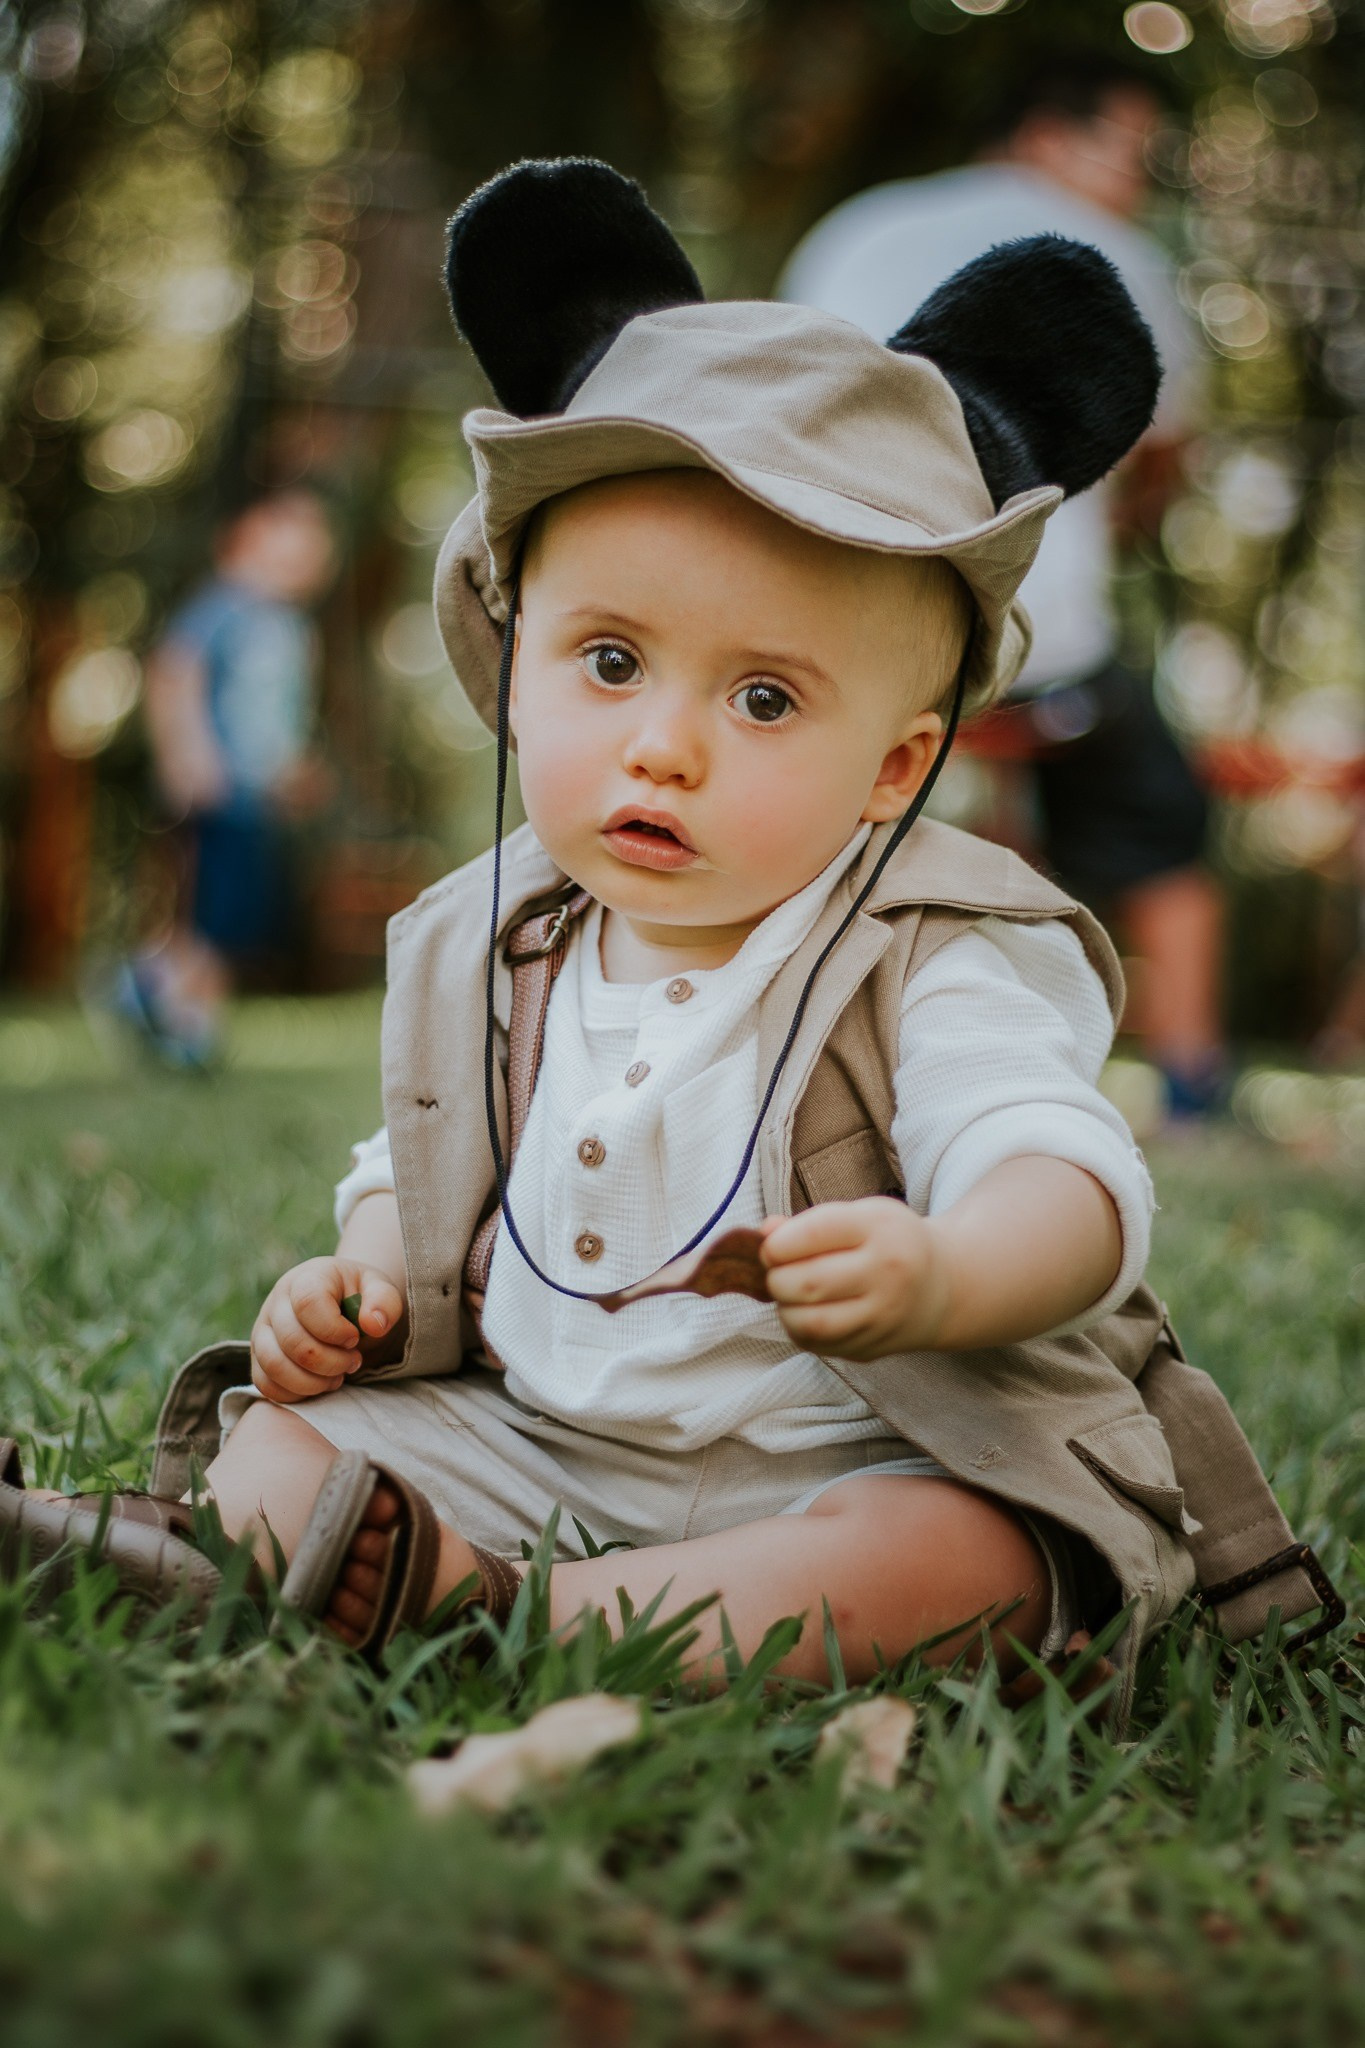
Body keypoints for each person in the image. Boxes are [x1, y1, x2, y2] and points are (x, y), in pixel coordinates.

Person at [5, 163, 1339, 1717]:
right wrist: (356, 1288)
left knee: (963, 1557)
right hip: (532, 1441)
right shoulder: (492, 943)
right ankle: (367, 1565)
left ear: (896, 770)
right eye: (612, 661)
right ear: (514, 674)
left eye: (762, 698)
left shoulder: (933, 951)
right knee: (280, 1443)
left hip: (852, 1460)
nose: (664, 749)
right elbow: (416, 1177)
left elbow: (1065, 1174)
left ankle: (522, 1619)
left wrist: (950, 1270)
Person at [780, 55, 1226, 1119]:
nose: (1136, 184)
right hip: (1028, 646)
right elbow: (1160, 452)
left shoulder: (859, 226)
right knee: (1162, 820)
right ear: (1045, 137)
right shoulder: (1106, 254)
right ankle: (1195, 1081)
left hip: (831, 626)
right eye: (1130, 153)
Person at [113, 488, 337, 1066]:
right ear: (246, 541)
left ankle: (153, 991)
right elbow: (172, 672)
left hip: (254, 797)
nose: (309, 556)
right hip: (217, 790)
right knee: (211, 913)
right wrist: (188, 754)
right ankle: (182, 1019)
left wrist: (293, 774)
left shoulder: (288, 626)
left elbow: (274, 721)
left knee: (228, 915)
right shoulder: (226, 607)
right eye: (292, 540)